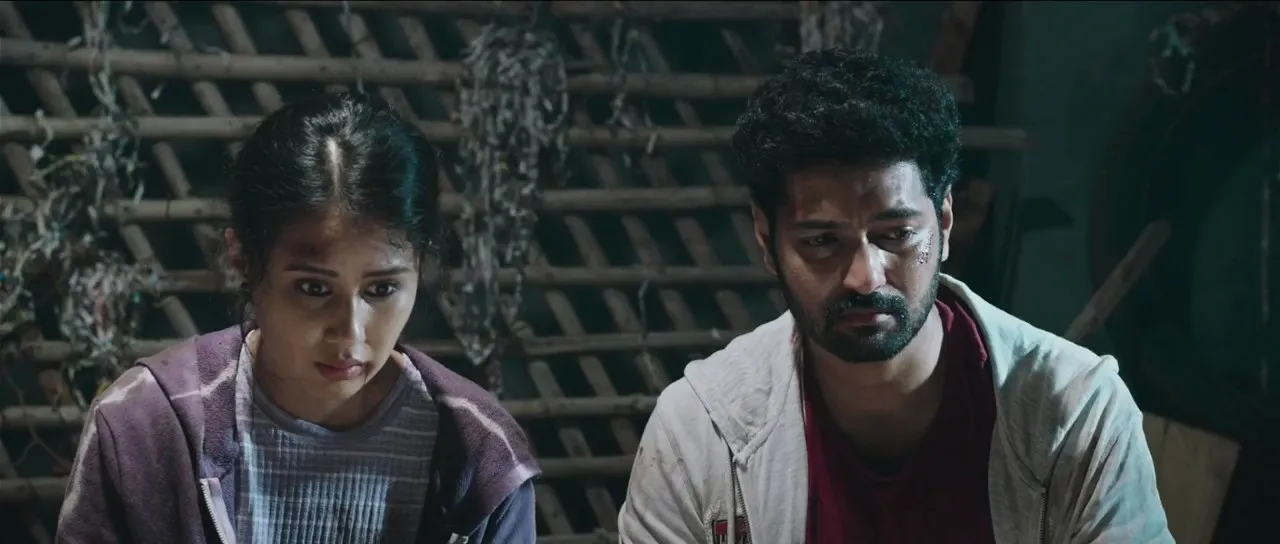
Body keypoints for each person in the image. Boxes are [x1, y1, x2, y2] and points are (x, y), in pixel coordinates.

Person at [618, 49, 1172, 544]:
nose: (866, 277)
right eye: (821, 241)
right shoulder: (701, 433)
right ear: (767, 241)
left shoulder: (1076, 413)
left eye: (897, 235)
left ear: (944, 222)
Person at [57, 92, 540, 543]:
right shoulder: (146, 428)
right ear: (244, 261)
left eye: (382, 289)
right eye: (314, 288)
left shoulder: (480, 455)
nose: (350, 334)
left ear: (421, 266)